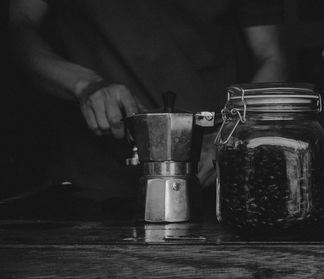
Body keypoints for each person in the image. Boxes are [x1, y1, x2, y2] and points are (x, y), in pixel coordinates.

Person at [9, 0, 287, 214]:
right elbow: (14, 26)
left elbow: (271, 55)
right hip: (90, 187)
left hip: (213, 179)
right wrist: (84, 85)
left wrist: (229, 136)